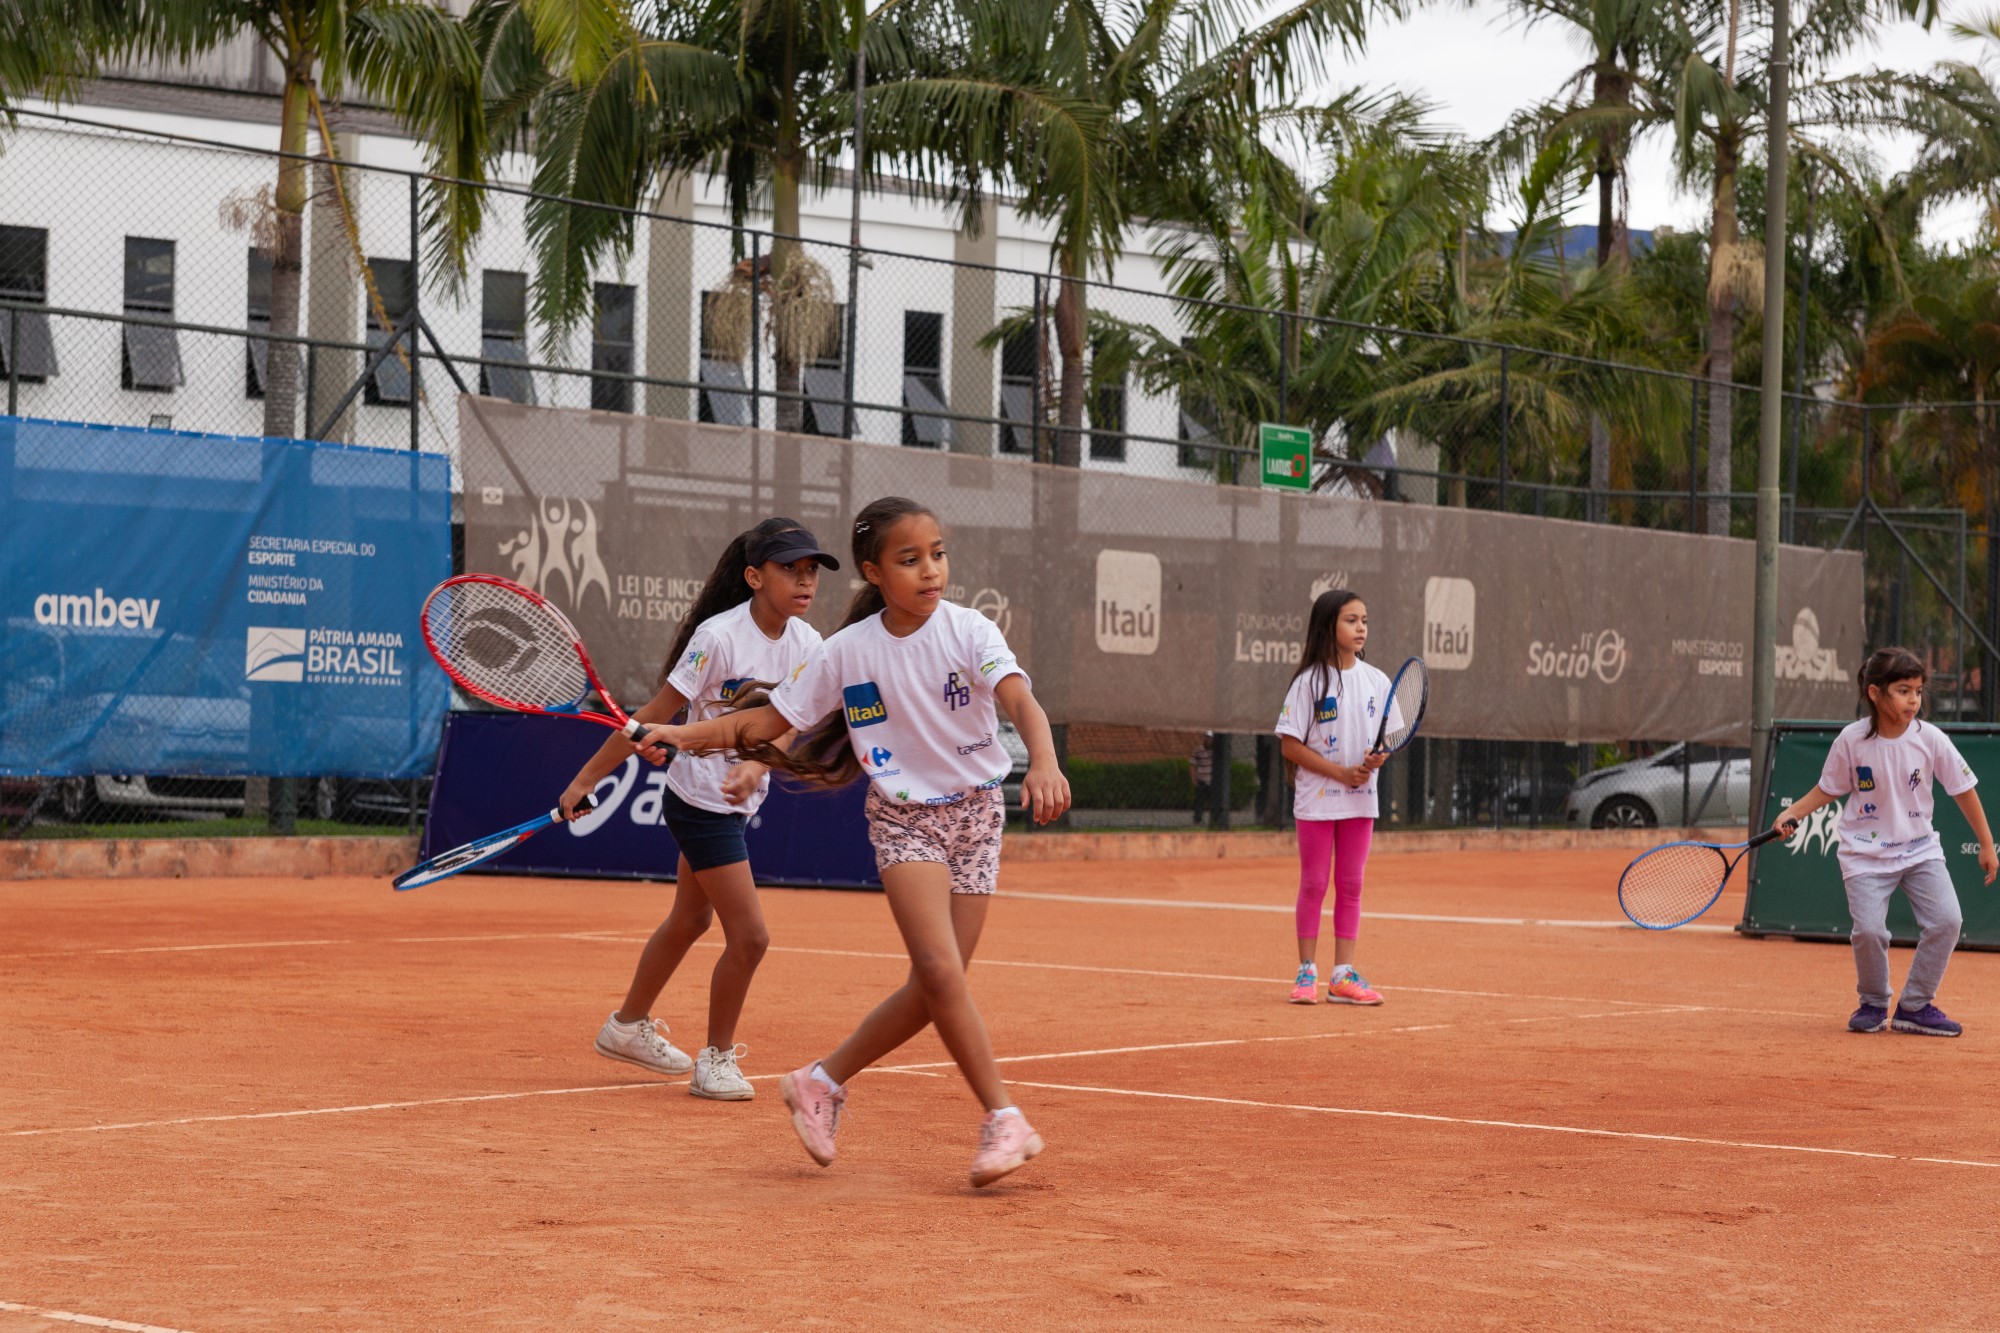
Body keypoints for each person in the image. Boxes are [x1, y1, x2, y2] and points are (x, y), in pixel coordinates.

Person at [637, 495, 1071, 1187]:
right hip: (904, 819)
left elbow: (1021, 700)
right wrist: (683, 734)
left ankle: (819, 1080)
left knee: (937, 986)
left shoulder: (970, 630)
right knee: (939, 969)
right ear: (874, 571)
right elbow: (764, 722)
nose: (930, 570)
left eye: (938, 553)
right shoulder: (847, 652)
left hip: (979, 816)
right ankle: (1002, 1116)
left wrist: (1043, 760)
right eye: (909, 559)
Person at [559, 517, 836, 1097]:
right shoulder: (718, 637)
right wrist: (583, 779)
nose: (806, 581)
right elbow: (653, 714)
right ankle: (715, 1060)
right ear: (755, 577)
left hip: (732, 800)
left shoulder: (808, 644)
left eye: (812, 570)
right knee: (751, 937)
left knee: (690, 919)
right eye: (791, 569)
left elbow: (789, 724)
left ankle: (627, 1025)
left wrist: (758, 763)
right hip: (697, 802)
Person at [1772, 646, 1996, 1037]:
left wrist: (1987, 843)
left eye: (1919, 691)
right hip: (1864, 854)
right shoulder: (1851, 739)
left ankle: (1915, 1005)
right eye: (1904, 690)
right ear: (1875, 693)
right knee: (1870, 932)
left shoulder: (1931, 739)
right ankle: (1873, 1002)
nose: (1914, 700)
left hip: (1920, 849)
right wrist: (1793, 812)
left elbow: (1964, 789)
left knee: (1948, 921)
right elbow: (1829, 788)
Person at [1275, 589, 1396, 1006]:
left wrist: (1378, 757)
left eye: (1364, 620)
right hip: (1317, 800)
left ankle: (1342, 976)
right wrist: (1340, 773)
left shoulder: (1377, 681)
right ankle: (1306, 972)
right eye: (1351, 620)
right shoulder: (1308, 682)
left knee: (1352, 884)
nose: (1361, 627)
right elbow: (1290, 746)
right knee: (1313, 883)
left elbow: (1390, 738)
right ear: (1329, 626)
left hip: (1361, 799)